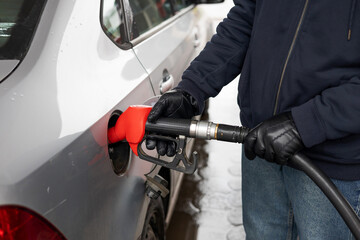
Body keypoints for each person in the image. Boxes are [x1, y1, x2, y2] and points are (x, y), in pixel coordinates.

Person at [145, 0, 360, 239]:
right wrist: (191, 90)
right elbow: (244, 21)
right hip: (260, 144)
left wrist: (308, 123)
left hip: (332, 163)